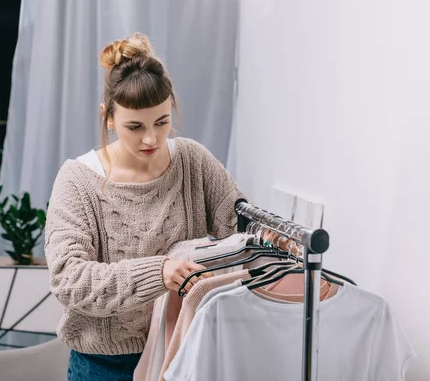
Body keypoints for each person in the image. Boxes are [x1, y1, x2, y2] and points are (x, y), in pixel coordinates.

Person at [45, 32, 285, 380]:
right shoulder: (78, 181)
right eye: (134, 126)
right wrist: (158, 272)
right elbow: (70, 279)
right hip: (103, 366)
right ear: (108, 117)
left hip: (185, 351)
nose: (151, 139)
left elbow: (238, 230)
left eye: (161, 122)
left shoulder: (192, 161)